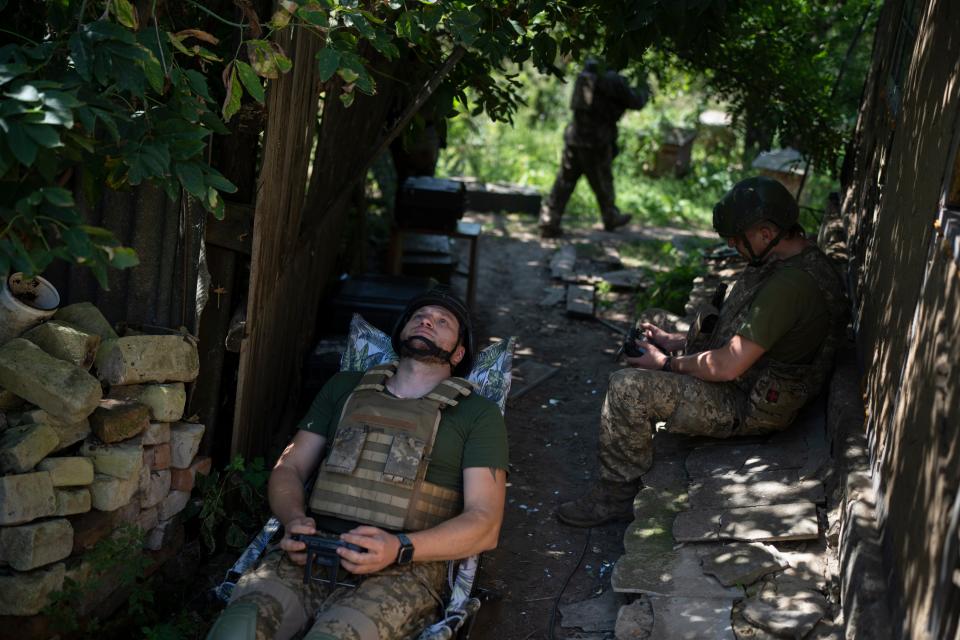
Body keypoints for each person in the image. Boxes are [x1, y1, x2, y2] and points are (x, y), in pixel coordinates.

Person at [207, 288, 508, 640]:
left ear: (458, 352)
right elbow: (289, 468)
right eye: (419, 316)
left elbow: (485, 524)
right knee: (236, 630)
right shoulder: (345, 388)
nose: (427, 320)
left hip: (405, 570)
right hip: (312, 551)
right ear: (401, 333)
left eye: (443, 322)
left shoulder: (477, 414)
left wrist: (400, 548)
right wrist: (292, 521)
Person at [556, 176, 848, 527]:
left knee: (626, 388)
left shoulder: (790, 286)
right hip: (748, 376)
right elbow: (744, 338)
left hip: (748, 404)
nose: (732, 245)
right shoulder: (789, 261)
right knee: (653, 322)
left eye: (738, 239)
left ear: (767, 234)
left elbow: (727, 366)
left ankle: (615, 498)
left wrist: (666, 363)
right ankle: (635, 426)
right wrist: (674, 340)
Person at [539, 59, 650, 238]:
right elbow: (636, 101)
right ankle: (610, 216)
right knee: (602, 180)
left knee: (565, 180)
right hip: (596, 141)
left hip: (575, 137)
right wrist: (644, 87)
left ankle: (549, 220)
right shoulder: (612, 80)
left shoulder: (586, 74)